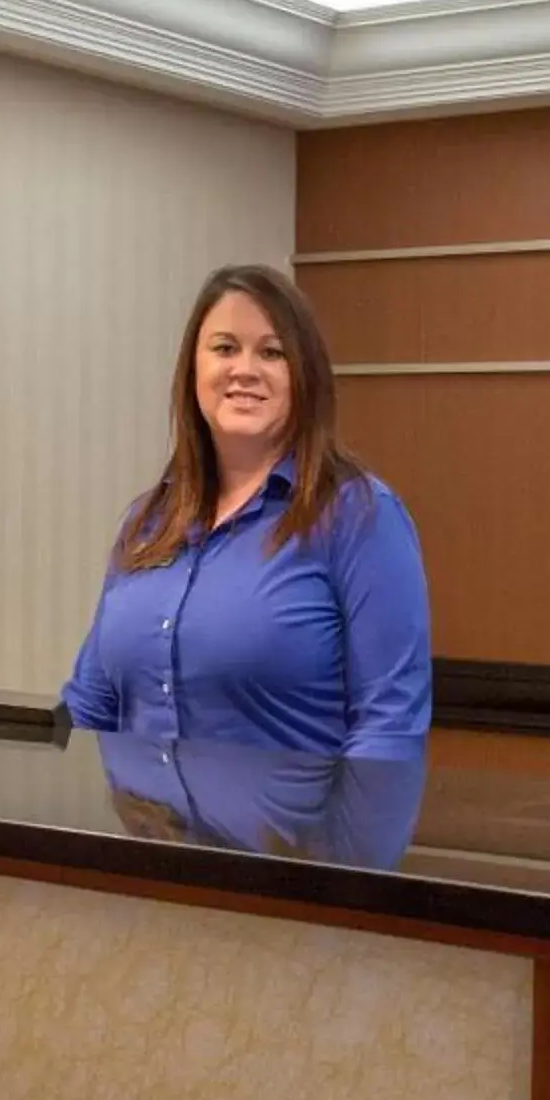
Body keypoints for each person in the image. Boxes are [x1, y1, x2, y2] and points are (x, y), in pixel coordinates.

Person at [62, 264, 431, 757]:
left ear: (305, 375)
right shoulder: (148, 520)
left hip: (295, 834)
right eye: (224, 348)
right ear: (194, 368)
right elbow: (91, 704)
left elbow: (390, 727)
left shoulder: (361, 517)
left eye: (272, 352)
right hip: (138, 832)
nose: (244, 370)